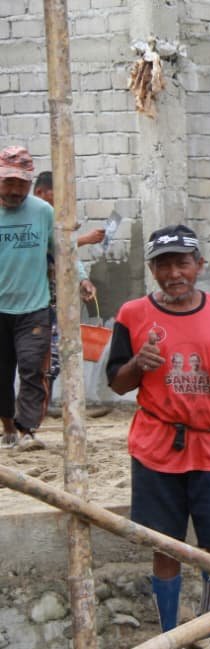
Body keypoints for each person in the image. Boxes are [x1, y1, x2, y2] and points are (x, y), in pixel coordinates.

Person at [105, 224, 210, 649]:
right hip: (157, 445)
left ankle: (208, 629)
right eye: (164, 265)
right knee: (164, 542)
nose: (174, 274)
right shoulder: (132, 314)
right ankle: (170, 640)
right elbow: (117, 381)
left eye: (182, 264)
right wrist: (139, 363)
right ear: (152, 270)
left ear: (199, 266)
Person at [0, 145, 92, 450]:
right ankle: (7, 424)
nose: (15, 190)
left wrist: (81, 277)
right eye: (9, 182)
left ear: (30, 183)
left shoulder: (42, 212)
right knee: (2, 374)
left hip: (34, 307)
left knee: (32, 368)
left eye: (21, 184)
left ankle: (26, 431)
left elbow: (63, 249)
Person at [30, 169, 99, 393]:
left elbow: (66, 253)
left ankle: (38, 408)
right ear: (40, 193)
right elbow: (50, 247)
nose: (57, 204)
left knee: (51, 362)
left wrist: (83, 280)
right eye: (54, 197)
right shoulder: (29, 218)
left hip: (51, 303)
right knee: (33, 361)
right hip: (28, 304)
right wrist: (85, 239)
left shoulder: (53, 219)